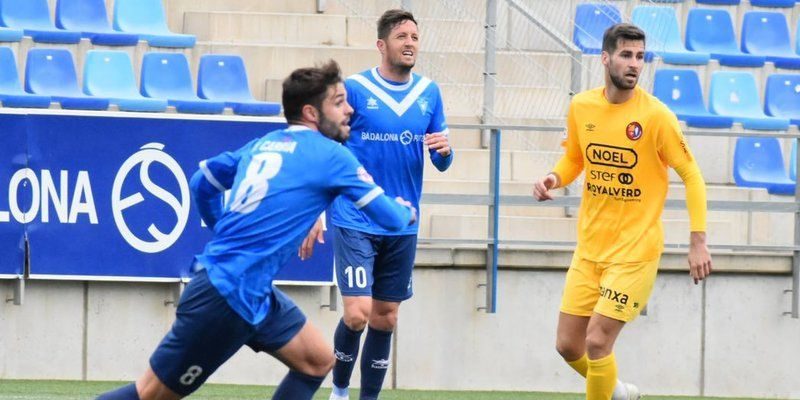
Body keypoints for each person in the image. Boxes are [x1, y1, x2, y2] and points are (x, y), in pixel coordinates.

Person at [96, 60, 417, 400]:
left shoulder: (263, 144)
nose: (350, 110)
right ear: (311, 112)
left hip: (253, 291)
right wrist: (407, 212)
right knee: (150, 395)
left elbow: (202, 182)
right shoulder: (332, 156)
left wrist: (221, 228)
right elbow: (392, 218)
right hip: (225, 295)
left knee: (317, 360)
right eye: (338, 102)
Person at [532, 23, 712, 400]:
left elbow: (692, 175)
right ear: (605, 58)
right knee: (568, 345)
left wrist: (698, 241)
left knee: (597, 340)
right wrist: (553, 177)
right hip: (590, 249)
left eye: (640, 56)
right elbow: (575, 159)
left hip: (635, 252)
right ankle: (618, 393)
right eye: (626, 55)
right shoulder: (582, 106)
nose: (634, 64)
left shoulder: (656, 116)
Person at [307, 8, 453, 400]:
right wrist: (315, 212)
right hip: (354, 217)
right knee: (357, 315)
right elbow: (325, 149)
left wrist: (444, 152)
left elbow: (441, 158)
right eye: (402, 36)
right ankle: (339, 391)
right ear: (381, 44)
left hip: (402, 223)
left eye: (415, 38)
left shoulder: (429, 93)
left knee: (386, 318)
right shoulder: (354, 89)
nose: (410, 44)